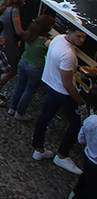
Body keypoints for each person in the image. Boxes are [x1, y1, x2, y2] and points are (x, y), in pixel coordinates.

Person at [32, 26, 87, 175]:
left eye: (84, 37)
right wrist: (81, 101)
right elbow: (67, 83)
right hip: (62, 92)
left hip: (50, 85)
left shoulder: (58, 39)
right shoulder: (68, 54)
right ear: (71, 33)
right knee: (75, 123)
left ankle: (38, 149)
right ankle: (62, 155)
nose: (82, 40)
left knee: (44, 118)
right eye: (79, 36)